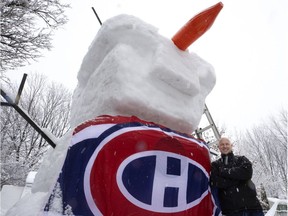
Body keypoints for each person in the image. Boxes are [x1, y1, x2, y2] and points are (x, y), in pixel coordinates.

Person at [210, 137, 264, 216]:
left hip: (253, 209)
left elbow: (247, 173)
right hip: (231, 211)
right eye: (222, 144)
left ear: (231, 146)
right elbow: (217, 182)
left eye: (227, 144)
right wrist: (239, 178)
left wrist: (223, 171)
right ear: (219, 148)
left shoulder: (242, 159)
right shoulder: (215, 165)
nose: (225, 146)